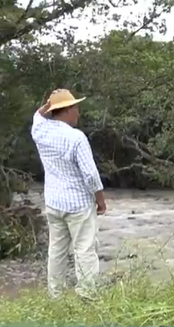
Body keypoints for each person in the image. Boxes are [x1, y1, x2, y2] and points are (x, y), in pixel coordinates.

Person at [30, 89, 107, 300]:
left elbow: (37, 116)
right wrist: (100, 199)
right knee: (85, 250)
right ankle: (88, 295)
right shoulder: (76, 137)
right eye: (75, 108)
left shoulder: (40, 131)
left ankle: (55, 295)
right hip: (78, 204)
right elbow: (90, 174)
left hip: (54, 202)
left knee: (56, 250)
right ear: (68, 111)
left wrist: (49, 105)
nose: (78, 113)